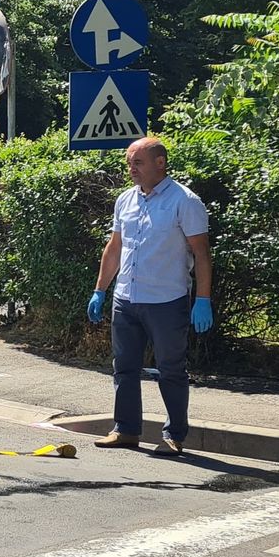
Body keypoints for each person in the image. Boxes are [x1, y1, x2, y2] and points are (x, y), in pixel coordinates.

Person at [87, 135, 213, 455]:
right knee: (124, 367)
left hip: (166, 301)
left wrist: (203, 298)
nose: (131, 169)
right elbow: (115, 248)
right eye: (129, 163)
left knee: (171, 370)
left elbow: (201, 253)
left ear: (160, 163)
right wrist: (100, 290)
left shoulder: (185, 201)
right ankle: (126, 430)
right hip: (126, 298)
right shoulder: (125, 200)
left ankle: (174, 435)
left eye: (138, 162)